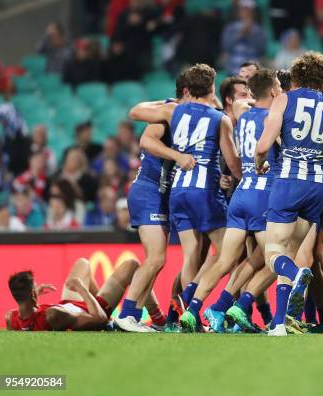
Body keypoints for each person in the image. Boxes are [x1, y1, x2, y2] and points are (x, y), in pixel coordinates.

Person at [129, 63, 242, 332]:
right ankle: (192, 306)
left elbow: (135, 111)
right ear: (212, 89)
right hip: (205, 191)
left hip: (177, 190)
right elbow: (233, 163)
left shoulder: (173, 110)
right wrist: (241, 176)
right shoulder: (220, 119)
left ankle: (182, 315)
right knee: (228, 251)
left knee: (192, 254)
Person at [254, 51, 323, 336]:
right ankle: (278, 324)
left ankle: (297, 274)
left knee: (274, 254)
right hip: (318, 188)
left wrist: (257, 164)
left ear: (296, 76)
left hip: (289, 182)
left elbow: (263, 147)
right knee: (290, 251)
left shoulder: (284, 99)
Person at [178, 68, 283, 333]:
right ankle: (230, 305)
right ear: (272, 91)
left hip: (240, 194)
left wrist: (254, 96)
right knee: (277, 259)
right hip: (263, 195)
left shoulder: (242, 114)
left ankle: (192, 311)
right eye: (278, 87)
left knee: (225, 260)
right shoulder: (274, 119)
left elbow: (239, 102)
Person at [115, 73, 196, 332]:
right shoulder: (168, 113)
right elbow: (146, 140)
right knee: (156, 258)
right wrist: (177, 155)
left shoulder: (189, 115)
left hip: (161, 195)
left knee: (156, 260)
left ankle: (133, 316)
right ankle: (127, 315)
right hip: (148, 190)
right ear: (187, 92)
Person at [6, 257, 164, 331]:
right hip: (92, 309)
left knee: (83, 263)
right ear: (33, 295)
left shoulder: (11, 318)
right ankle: (158, 318)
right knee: (133, 265)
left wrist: (35, 296)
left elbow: (29, 319)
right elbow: (99, 319)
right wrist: (82, 289)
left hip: (68, 305)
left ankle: (93, 293)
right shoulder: (53, 315)